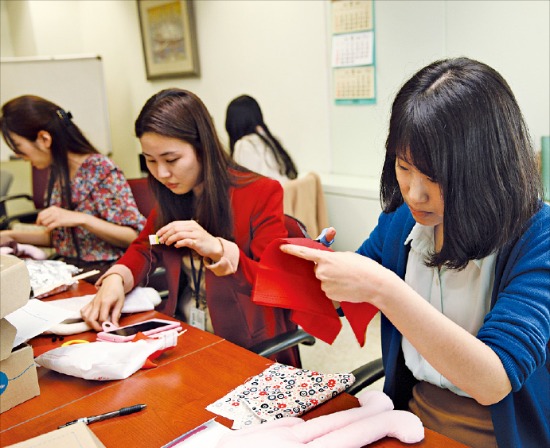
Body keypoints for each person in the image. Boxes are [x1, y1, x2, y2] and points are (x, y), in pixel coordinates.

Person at [281, 57, 549, 448]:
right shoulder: (403, 220)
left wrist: (385, 290)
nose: (414, 193)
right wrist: (323, 266)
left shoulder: (537, 236)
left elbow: (494, 381)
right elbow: (350, 289)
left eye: (435, 177)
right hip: (409, 424)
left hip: (499, 435)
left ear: (487, 168)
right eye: (404, 168)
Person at [81, 88, 300, 366]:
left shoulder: (260, 193)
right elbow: (146, 247)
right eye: (150, 160)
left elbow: (276, 283)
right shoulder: (172, 196)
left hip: (244, 344)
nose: (161, 173)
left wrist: (221, 250)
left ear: (202, 147)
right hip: (183, 335)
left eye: (171, 160)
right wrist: (116, 278)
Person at [0, 95, 146, 281]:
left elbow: (134, 236)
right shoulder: (57, 172)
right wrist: (8, 234)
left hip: (107, 274)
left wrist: (82, 219)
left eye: (19, 147)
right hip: (70, 270)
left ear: (44, 139)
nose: (18, 155)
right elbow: (62, 240)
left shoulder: (99, 169)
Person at [225, 94, 298, 184]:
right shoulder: (271, 140)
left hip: (273, 196)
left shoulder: (244, 146)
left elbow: (247, 190)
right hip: (285, 195)